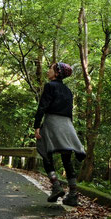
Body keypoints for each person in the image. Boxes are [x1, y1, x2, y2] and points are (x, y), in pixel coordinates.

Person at [34, 62, 86, 206]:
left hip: (52, 122)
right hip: (67, 125)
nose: (48, 71)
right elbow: (69, 112)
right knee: (66, 158)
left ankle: (56, 185)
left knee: (45, 152)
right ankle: (73, 194)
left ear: (57, 73)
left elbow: (42, 107)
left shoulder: (50, 86)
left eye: (50, 69)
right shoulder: (68, 91)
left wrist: (37, 126)